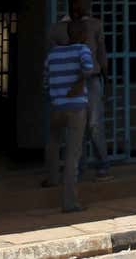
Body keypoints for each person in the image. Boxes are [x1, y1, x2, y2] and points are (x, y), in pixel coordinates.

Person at [43, 20, 94, 213]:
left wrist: (56, 95)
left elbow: (45, 82)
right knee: (73, 155)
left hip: (56, 106)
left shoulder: (53, 53)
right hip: (76, 108)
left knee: (53, 144)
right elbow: (89, 69)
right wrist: (79, 83)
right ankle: (70, 202)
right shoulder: (83, 49)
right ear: (80, 35)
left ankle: (52, 178)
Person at [67, 0, 112, 182]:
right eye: (85, 2)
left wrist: (106, 77)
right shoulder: (64, 25)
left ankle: (102, 164)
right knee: (76, 125)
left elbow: (101, 52)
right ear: (75, 3)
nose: (88, 5)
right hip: (72, 80)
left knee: (94, 123)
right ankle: (78, 166)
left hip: (93, 79)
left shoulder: (95, 25)